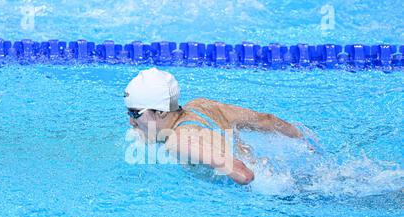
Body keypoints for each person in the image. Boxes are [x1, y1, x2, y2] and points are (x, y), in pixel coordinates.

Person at [124, 68, 303, 185]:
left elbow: (243, 174)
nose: (131, 122)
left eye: (135, 114)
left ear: (161, 112)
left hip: (276, 194)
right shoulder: (202, 106)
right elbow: (267, 120)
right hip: (281, 174)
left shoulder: (178, 143)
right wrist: (303, 141)